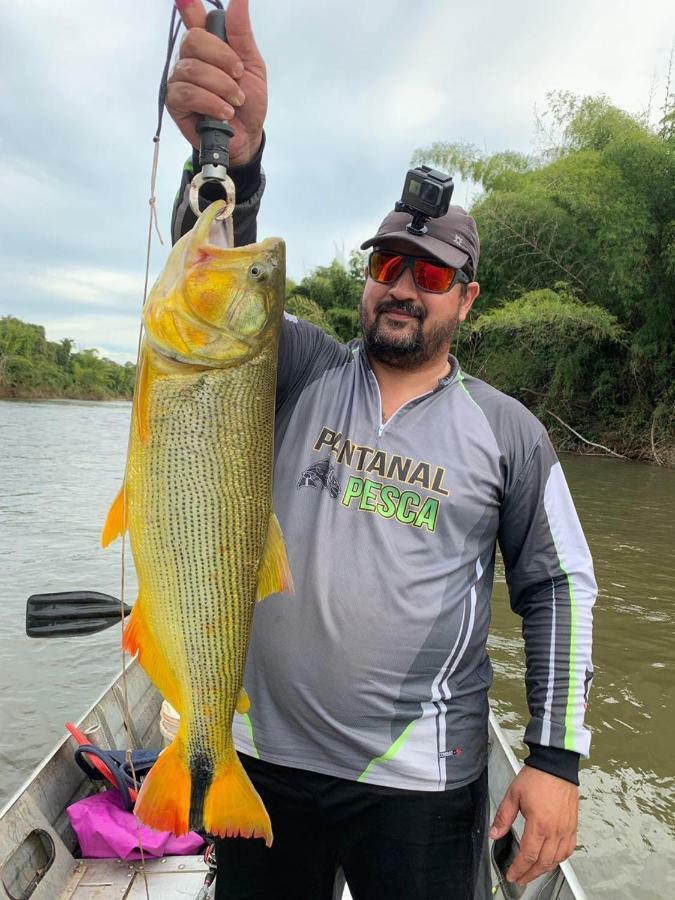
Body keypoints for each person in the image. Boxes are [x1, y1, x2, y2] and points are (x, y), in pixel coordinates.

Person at [166, 2, 596, 898]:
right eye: (386, 264)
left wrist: (555, 759)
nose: (402, 287)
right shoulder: (293, 367)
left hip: (419, 784)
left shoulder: (507, 431)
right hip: (263, 761)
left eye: (430, 273)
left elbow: (559, 586)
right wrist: (233, 163)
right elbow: (211, 291)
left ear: (465, 299)